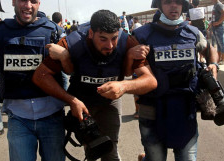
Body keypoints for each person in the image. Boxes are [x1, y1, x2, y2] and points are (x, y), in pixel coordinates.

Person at [32, 9, 157, 161]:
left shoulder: (127, 42)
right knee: (92, 150)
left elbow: (151, 81)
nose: (110, 45)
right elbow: (40, 76)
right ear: (91, 33)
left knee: (110, 150)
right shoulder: (71, 43)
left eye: (114, 38)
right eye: (103, 39)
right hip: (82, 103)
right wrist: (71, 100)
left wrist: (123, 86)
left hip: (110, 102)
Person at [0, 0, 72, 161]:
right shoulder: (0, 31)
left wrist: (64, 56)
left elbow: (70, 70)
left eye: (33, 1)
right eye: (23, 0)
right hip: (18, 119)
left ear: (39, 4)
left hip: (52, 117)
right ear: (14, 0)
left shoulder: (54, 31)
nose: (28, 6)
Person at [130, 0, 219, 161]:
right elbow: (129, 68)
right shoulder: (141, 35)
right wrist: (131, 54)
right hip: (152, 109)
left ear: (183, 6)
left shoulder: (193, 33)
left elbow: (211, 50)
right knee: (156, 158)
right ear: (160, 5)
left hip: (185, 109)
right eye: (168, 2)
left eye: (177, 2)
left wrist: (214, 65)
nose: (173, 6)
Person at [210, 0, 224, 65]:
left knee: (221, 43)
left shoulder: (219, 5)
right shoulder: (215, 5)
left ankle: (223, 59)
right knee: (218, 43)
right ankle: (219, 58)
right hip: (216, 26)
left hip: (219, 27)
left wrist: (218, 22)